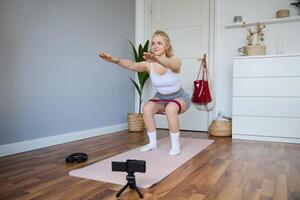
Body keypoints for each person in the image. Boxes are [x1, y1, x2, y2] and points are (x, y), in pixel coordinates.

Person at [99, 30, 191, 156]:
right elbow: (132, 65)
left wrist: (158, 60)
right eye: (153, 43)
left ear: (167, 46)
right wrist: (115, 60)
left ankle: (176, 146)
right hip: (160, 98)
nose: (155, 45)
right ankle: (152, 143)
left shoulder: (175, 62)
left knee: (170, 109)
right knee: (146, 108)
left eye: (159, 43)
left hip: (179, 97)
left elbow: (169, 64)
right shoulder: (149, 65)